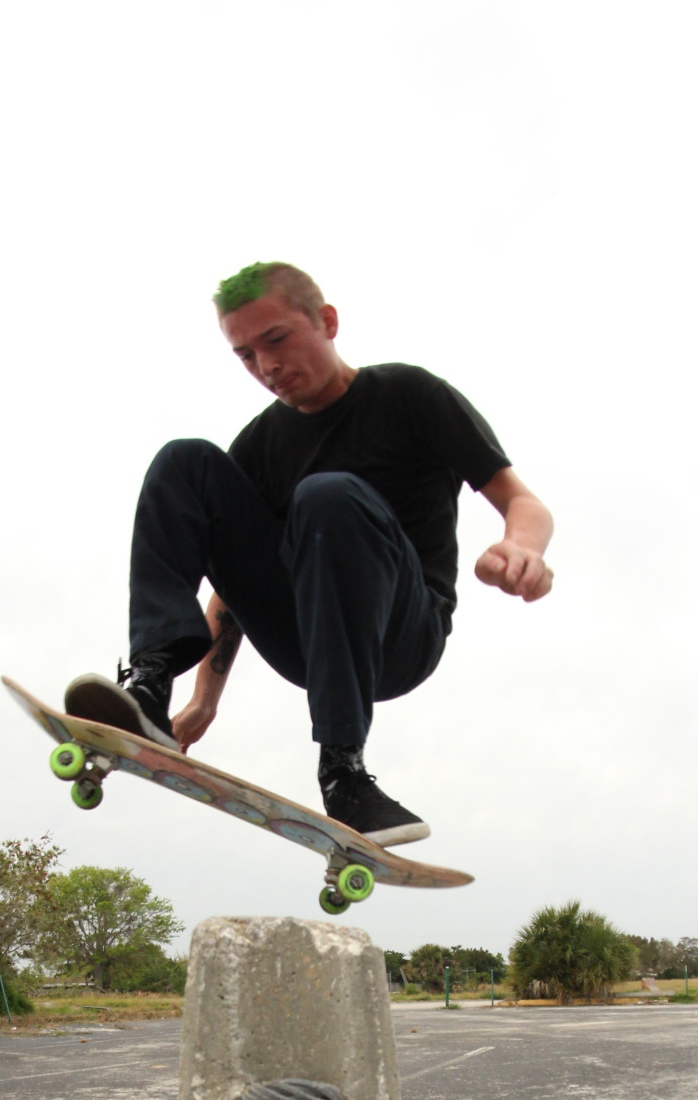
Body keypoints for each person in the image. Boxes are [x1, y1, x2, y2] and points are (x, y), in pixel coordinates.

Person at [65, 261, 553, 845]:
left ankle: (343, 771)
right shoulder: (261, 445)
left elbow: (521, 500)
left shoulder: (410, 396)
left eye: (276, 340)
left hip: (400, 636)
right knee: (183, 462)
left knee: (328, 497)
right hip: (304, 638)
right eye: (246, 355)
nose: (267, 367)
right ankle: (148, 684)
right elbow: (233, 588)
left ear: (326, 321)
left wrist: (521, 548)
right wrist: (202, 702)